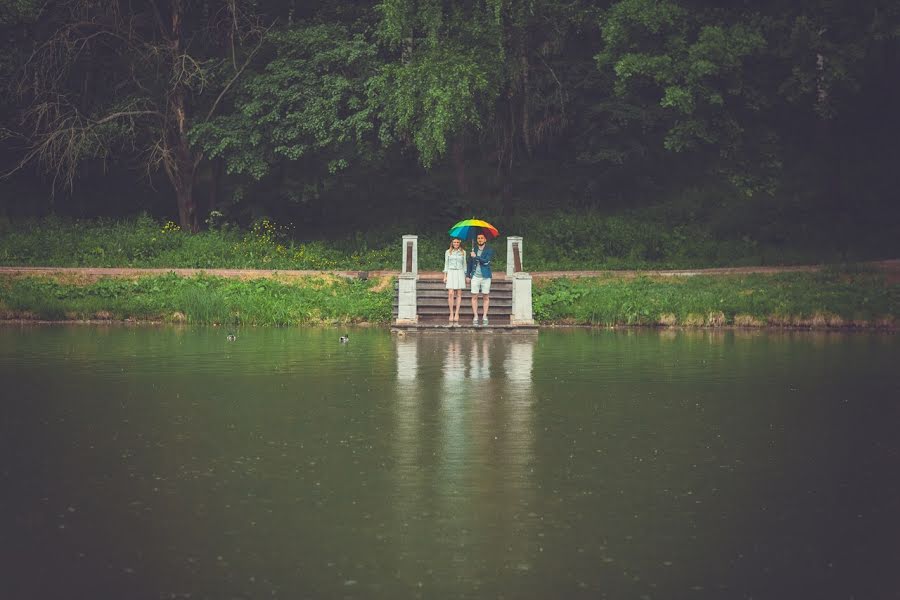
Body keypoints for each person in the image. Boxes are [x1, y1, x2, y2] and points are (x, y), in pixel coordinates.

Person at [466, 233, 495, 326]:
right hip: (475, 276)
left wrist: (476, 256)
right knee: (474, 296)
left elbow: (486, 261)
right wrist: (468, 275)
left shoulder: (489, 250)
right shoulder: (473, 250)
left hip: (486, 276)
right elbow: (469, 263)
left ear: (485, 240)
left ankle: (485, 316)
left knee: (485, 296)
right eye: (478, 238)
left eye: (482, 238)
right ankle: (475, 316)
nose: (480, 239)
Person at [443, 237, 467, 322]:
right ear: (452, 243)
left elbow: (464, 265)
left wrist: (465, 276)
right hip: (451, 272)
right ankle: (451, 313)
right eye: (454, 242)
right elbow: (446, 264)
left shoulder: (463, 252)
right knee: (450, 293)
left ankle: (457, 313)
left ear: (459, 243)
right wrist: (445, 276)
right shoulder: (448, 252)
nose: (456, 244)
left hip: (460, 272)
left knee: (459, 293)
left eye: (457, 242)